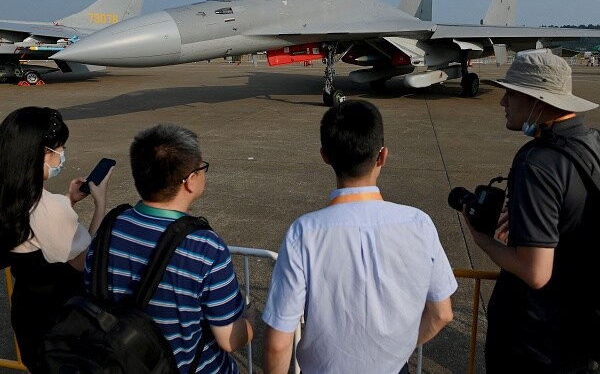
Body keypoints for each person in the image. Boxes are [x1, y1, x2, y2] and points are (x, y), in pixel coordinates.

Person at [262, 100, 457, 374]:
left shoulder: (304, 233)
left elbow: (277, 345)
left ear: (325, 156)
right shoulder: (419, 223)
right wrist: (392, 353)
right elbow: (442, 314)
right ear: (382, 156)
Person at [84, 123, 255, 373]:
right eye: (200, 168)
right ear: (190, 181)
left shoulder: (108, 229)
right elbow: (230, 338)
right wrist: (250, 321)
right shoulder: (205, 247)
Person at [468, 51, 599, 373]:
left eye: (511, 94)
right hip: (581, 334)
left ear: (536, 101)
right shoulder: (593, 143)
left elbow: (535, 273)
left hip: (535, 343)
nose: (503, 103)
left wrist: (483, 240)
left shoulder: (538, 164)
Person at [0, 106, 113, 369]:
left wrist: (68, 201)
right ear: (41, 154)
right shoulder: (49, 208)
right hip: (60, 321)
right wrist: (100, 206)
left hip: (26, 312)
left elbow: (34, 233)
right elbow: (85, 261)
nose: (62, 155)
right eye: (59, 148)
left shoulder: (11, 198)